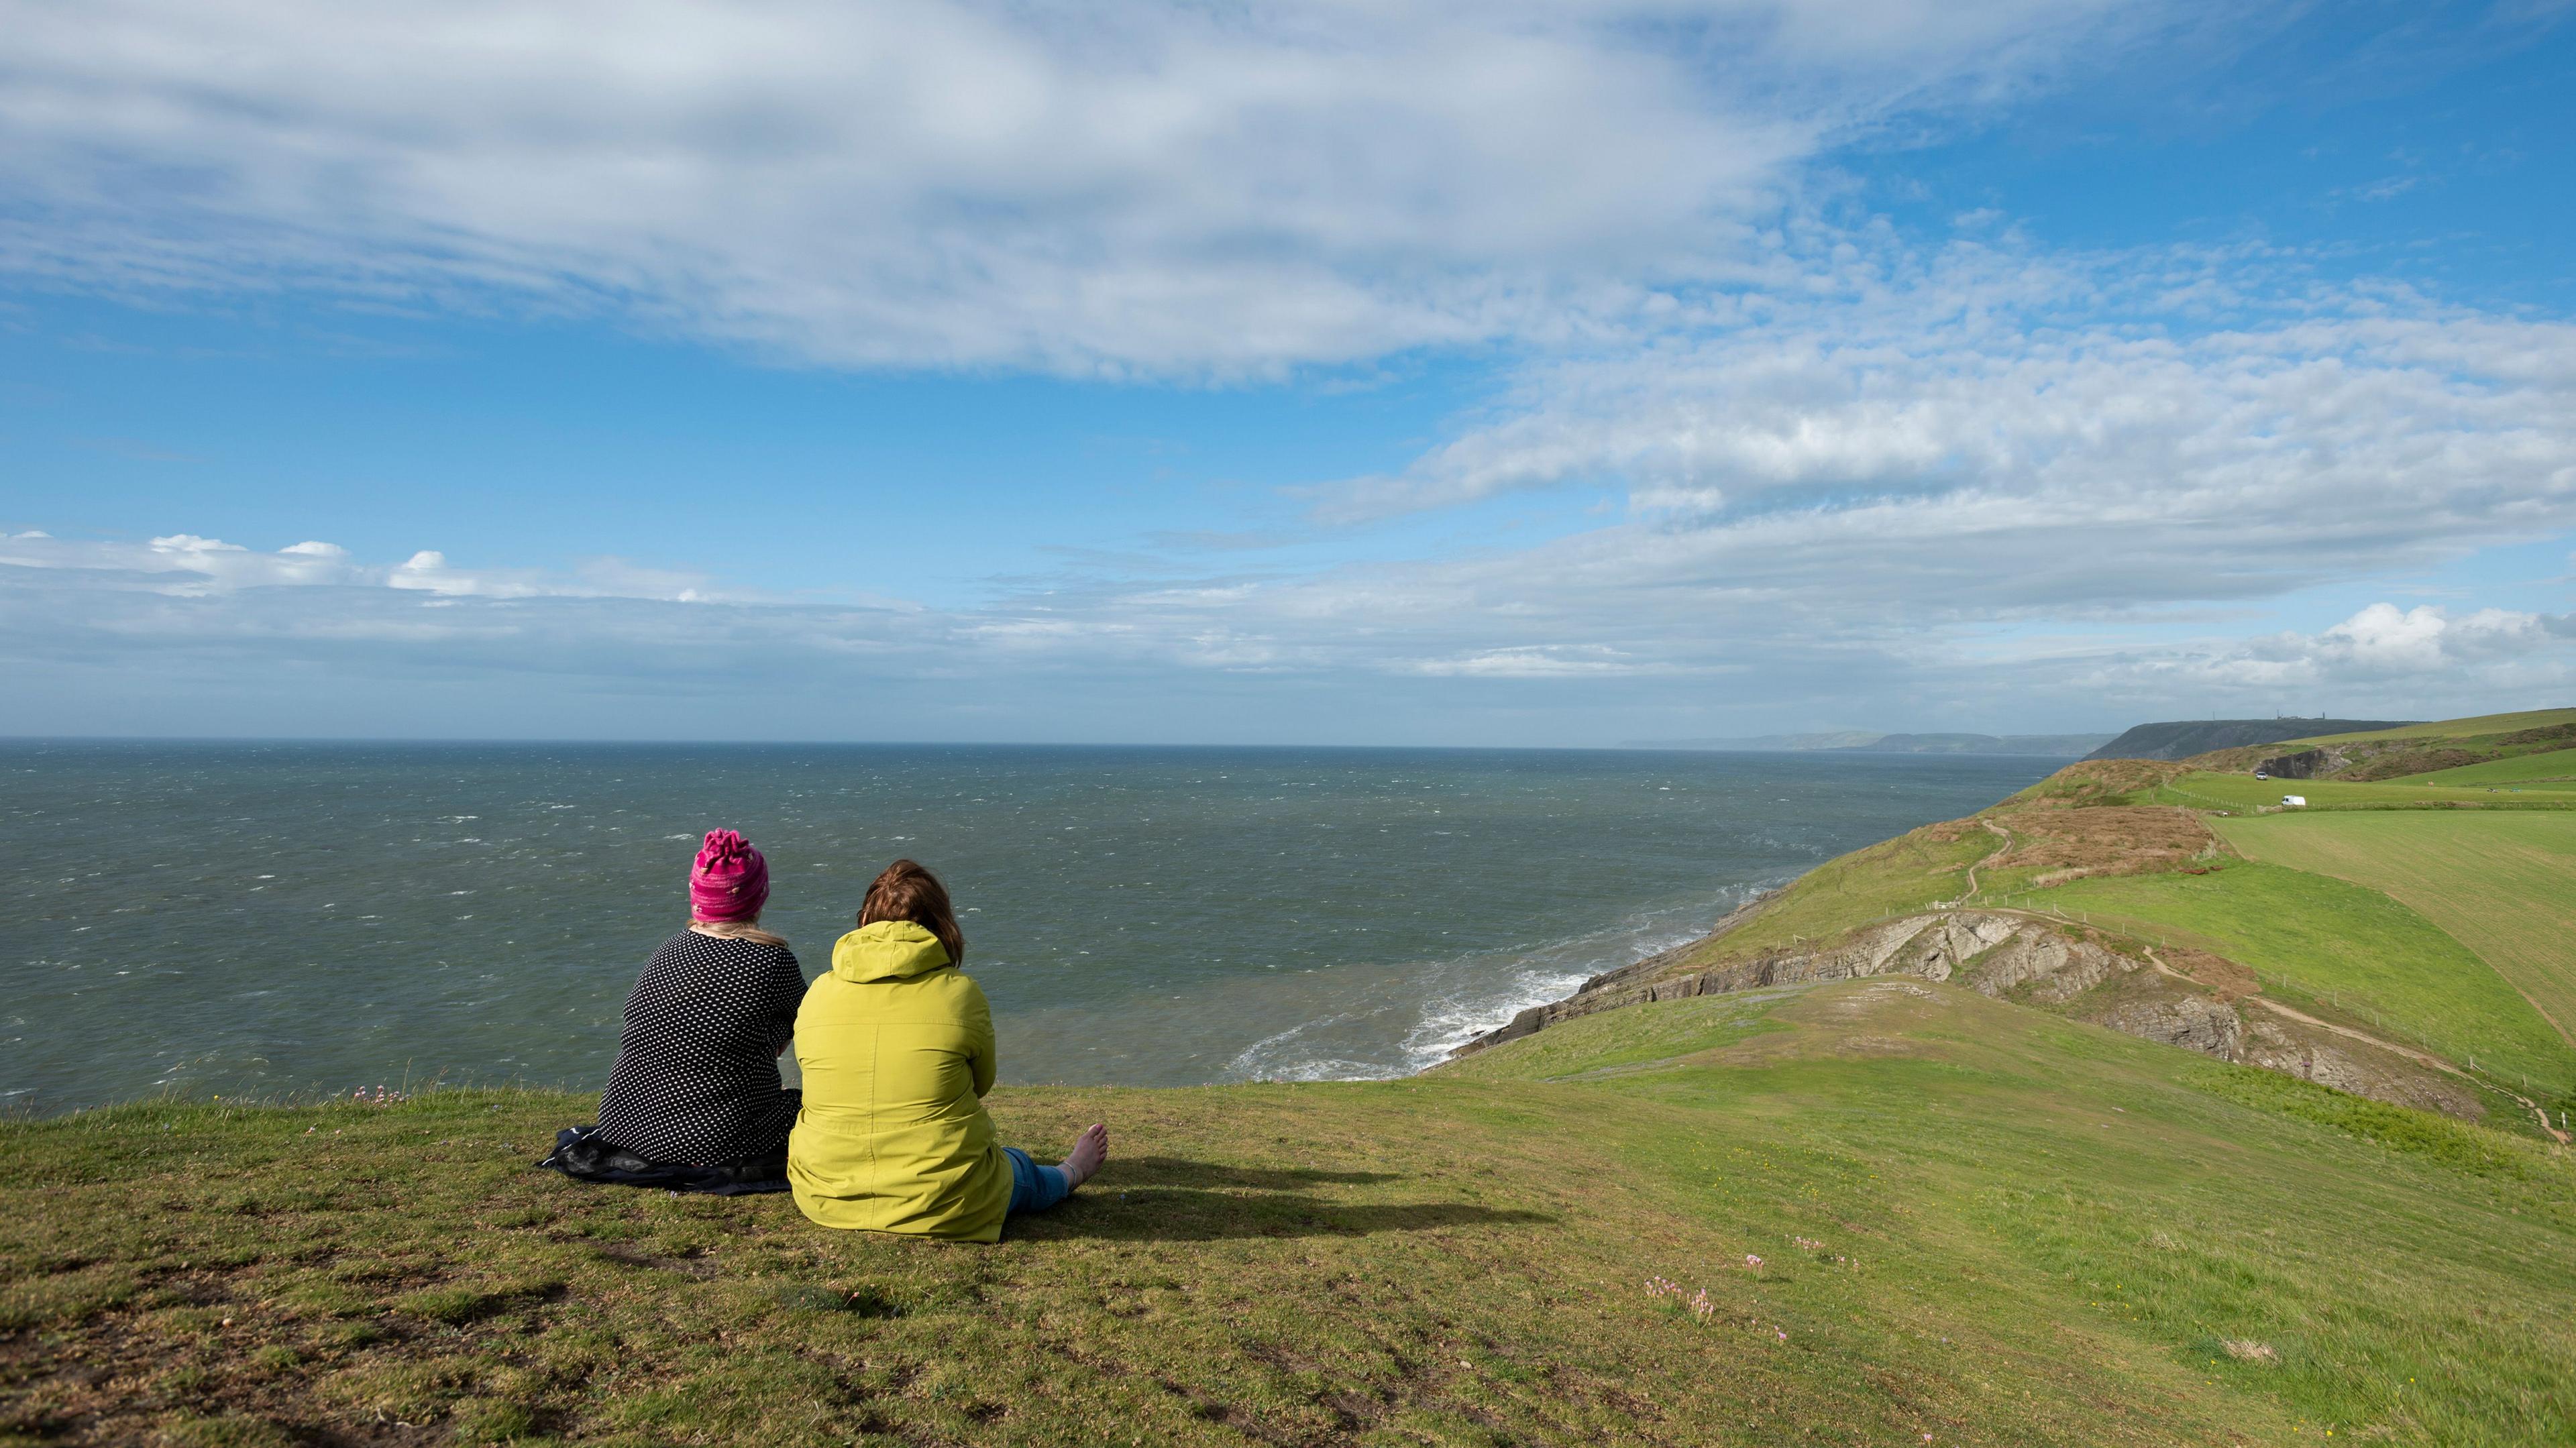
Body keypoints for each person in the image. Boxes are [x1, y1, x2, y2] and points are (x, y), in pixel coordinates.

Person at [789, 859, 1107, 1240]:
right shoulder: (960, 993)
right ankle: (1073, 1170)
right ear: (943, 923)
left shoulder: (819, 992)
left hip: (826, 1193)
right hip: (945, 1200)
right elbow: (981, 1084)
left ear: (865, 920)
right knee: (1017, 1169)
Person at [577, 829, 806, 1184]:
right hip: (715, 1142)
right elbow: (808, 1023)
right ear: (759, 896)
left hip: (625, 1126)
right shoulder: (772, 960)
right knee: (803, 1106)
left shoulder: (665, 952)